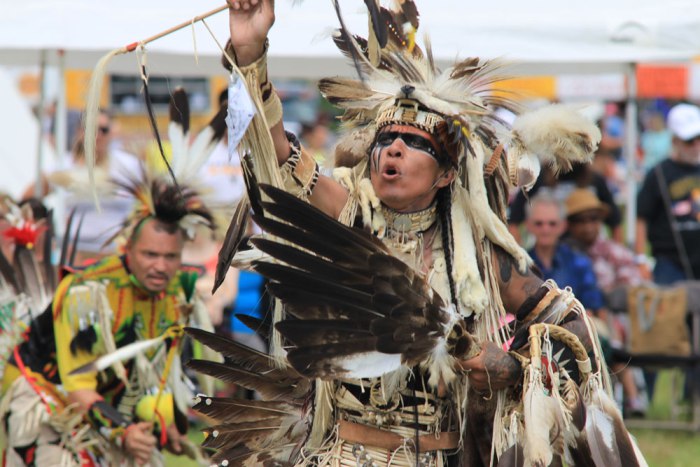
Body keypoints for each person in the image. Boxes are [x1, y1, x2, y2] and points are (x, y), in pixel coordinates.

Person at [186, 1, 645, 466]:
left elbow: (570, 327)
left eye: (416, 143)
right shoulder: (351, 214)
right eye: (385, 139)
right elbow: (278, 158)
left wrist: (513, 368)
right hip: (344, 454)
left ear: (446, 174)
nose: (395, 149)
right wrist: (250, 52)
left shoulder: (478, 258)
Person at [0, 174, 216, 466]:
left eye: (170, 256)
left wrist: (167, 428)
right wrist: (123, 431)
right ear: (127, 249)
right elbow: (78, 385)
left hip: (104, 401)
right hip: (46, 395)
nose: (160, 266)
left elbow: (153, 374)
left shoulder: (177, 295)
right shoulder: (87, 292)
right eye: (150, 254)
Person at [564, 188, 649, 416]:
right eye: (580, 220)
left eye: (593, 218)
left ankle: (631, 398)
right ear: (570, 224)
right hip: (575, 317)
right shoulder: (564, 254)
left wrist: (609, 298)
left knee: (610, 336)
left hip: (611, 317)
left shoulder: (614, 252)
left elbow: (635, 289)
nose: (588, 225)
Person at [636, 102, 700, 284]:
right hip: (670, 262)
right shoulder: (658, 174)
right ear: (674, 141)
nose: (696, 146)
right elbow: (642, 217)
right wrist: (640, 259)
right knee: (670, 310)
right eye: (689, 141)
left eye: (699, 138)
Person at [525, 192, 605, 314]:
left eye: (552, 223)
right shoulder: (521, 265)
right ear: (528, 225)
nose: (545, 229)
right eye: (539, 223)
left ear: (563, 226)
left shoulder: (579, 262)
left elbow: (593, 306)